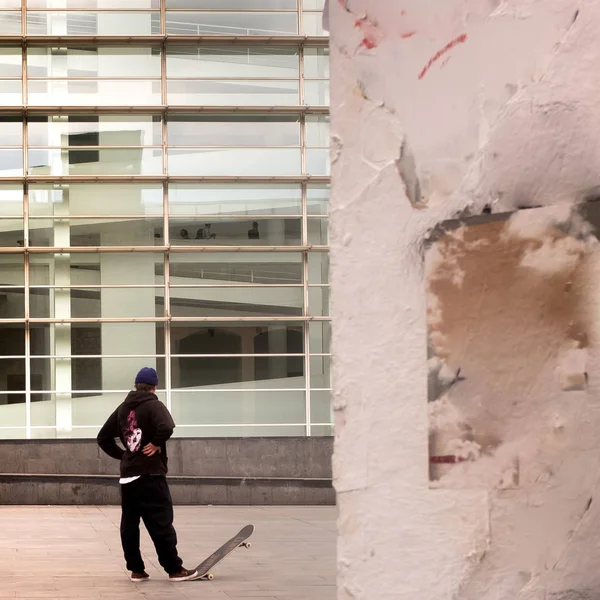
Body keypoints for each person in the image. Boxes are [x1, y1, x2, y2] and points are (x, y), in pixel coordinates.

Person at [97, 367, 198, 583]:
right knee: (160, 522)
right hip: (150, 475)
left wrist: (124, 456)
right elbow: (168, 426)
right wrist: (155, 443)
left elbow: (102, 437)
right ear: (154, 386)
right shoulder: (154, 404)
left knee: (129, 524)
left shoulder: (123, 408)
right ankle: (174, 569)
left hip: (128, 478)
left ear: (136, 385)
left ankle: (136, 570)